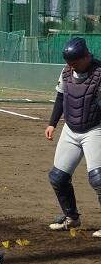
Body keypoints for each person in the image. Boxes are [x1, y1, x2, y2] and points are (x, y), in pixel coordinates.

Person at [45, 37, 101, 238]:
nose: (71, 66)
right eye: (69, 62)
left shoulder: (99, 74)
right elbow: (61, 97)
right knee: (58, 178)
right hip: (70, 129)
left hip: (95, 129)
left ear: (86, 56)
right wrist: (52, 123)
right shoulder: (66, 72)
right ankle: (71, 218)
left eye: (75, 62)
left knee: (98, 179)